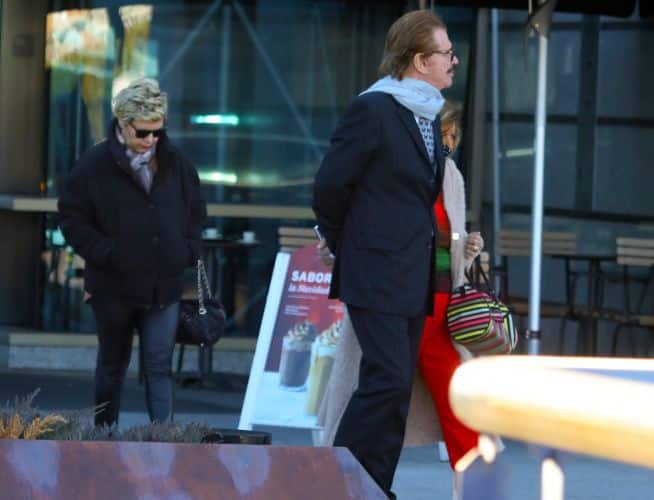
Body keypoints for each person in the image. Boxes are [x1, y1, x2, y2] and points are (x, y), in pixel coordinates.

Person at [312, 9, 458, 498]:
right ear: (420, 60)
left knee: (394, 388)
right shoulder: (374, 109)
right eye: (446, 53)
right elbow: (331, 186)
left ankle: (374, 486)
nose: (454, 61)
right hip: (375, 270)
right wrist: (343, 242)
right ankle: (341, 481)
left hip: (414, 275)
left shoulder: (428, 115)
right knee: (387, 381)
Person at [317, 101, 483, 473]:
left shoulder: (451, 176)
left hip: (439, 292)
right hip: (396, 289)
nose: (449, 142)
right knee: (393, 385)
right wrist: (335, 247)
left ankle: (470, 473)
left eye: (453, 135)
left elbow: (445, 237)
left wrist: (465, 250)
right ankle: (345, 471)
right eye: (443, 134)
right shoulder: (396, 171)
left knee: (433, 386)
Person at [58, 78, 207, 426]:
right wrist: (105, 252)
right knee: (112, 365)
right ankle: (102, 442)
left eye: (158, 132)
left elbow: (195, 213)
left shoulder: (177, 164)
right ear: (123, 125)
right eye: (143, 132)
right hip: (114, 286)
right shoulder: (94, 165)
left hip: (163, 284)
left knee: (159, 366)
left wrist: (187, 251)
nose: (151, 140)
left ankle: (167, 445)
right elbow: (71, 217)